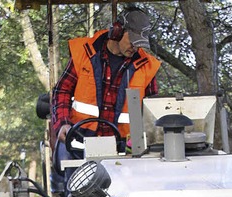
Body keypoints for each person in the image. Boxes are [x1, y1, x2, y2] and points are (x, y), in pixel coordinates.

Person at [51, 6, 161, 185]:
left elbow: (153, 111)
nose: (135, 47)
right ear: (117, 31)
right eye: (132, 40)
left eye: (139, 43)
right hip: (79, 148)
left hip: (123, 154)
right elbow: (62, 90)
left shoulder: (147, 66)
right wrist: (62, 123)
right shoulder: (84, 53)